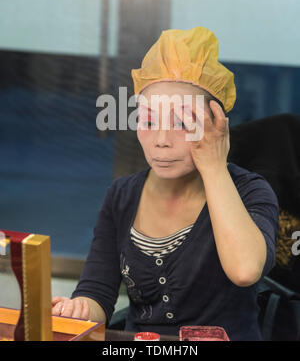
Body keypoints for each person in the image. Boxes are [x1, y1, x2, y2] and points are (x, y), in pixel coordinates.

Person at [52, 27, 279, 341]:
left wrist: (214, 167)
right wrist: (78, 308)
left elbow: (245, 271)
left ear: (216, 124)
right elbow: (97, 292)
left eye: (182, 123)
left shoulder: (251, 191)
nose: (160, 141)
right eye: (148, 121)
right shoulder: (121, 195)